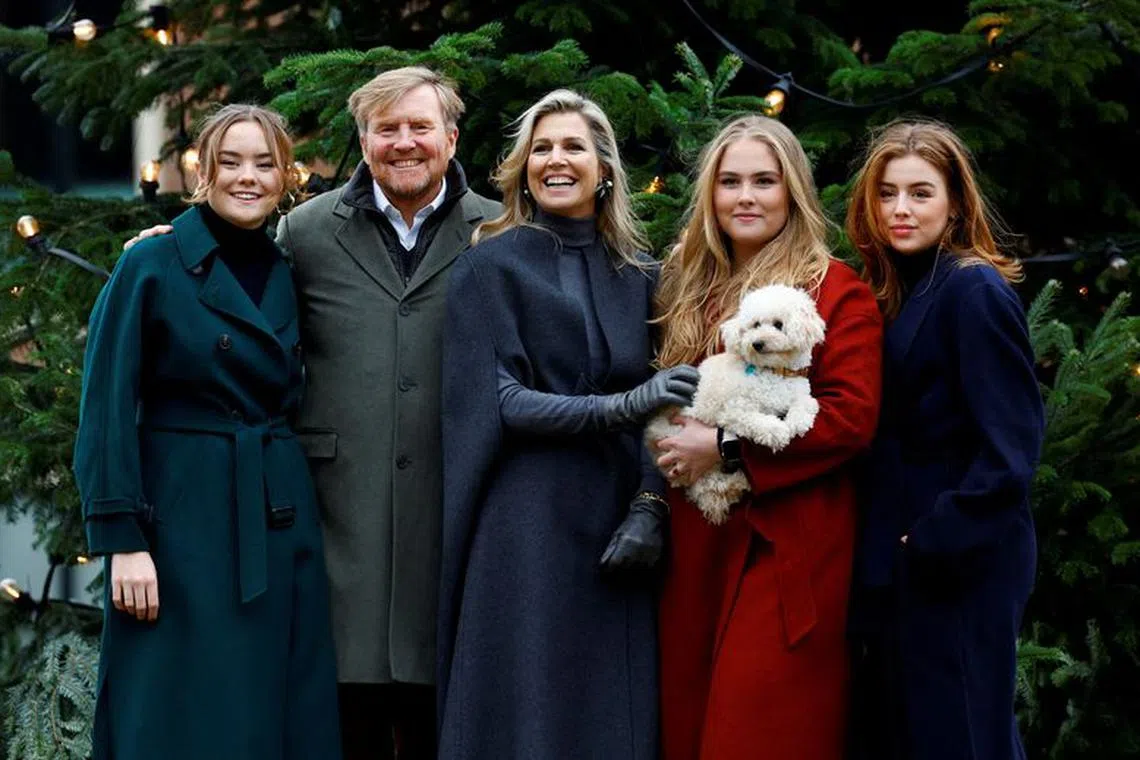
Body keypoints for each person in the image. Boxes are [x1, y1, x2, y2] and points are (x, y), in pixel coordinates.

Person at [123, 67, 501, 760]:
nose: (404, 143)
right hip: (326, 531)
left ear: (451, 137)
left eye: (421, 127)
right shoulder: (305, 232)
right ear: (364, 140)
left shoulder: (498, 233)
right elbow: (227, 270)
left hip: (446, 525)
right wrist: (163, 251)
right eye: (387, 129)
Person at [74, 104, 341, 759]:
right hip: (178, 520)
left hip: (279, 517)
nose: (247, 177)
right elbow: (106, 405)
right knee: (172, 707)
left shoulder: (289, 270)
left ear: (286, 177)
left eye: (264, 163)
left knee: (276, 706)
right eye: (230, 162)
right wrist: (122, 539)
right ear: (203, 171)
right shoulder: (154, 263)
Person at [437, 88, 698, 759]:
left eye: (573, 146)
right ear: (523, 167)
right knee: (529, 707)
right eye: (541, 148)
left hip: (616, 520)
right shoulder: (484, 267)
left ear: (604, 167)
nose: (556, 160)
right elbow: (502, 401)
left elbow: (673, 400)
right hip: (524, 523)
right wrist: (622, 407)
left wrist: (649, 507)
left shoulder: (641, 275)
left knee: (612, 712)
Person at [651, 114, 883, 760]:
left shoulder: (834, 292)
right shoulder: (687, 286)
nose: (746, 196)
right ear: (711, 195)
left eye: (764, 181)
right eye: (730, 182)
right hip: (695, 545)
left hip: (784, 548)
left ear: (793, 192)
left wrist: (729, 448)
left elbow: (850, 419)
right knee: (689, 727)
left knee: (757, 731)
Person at [845, 119, 1044, 760]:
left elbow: (1011, 449)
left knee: (962, 738)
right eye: (887, 193)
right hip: (901, 573)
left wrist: (932, 537)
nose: (900, 209)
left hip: (959, 566)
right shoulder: (891, 290)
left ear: (955, 201)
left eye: (921, 192)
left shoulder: (973, 289)